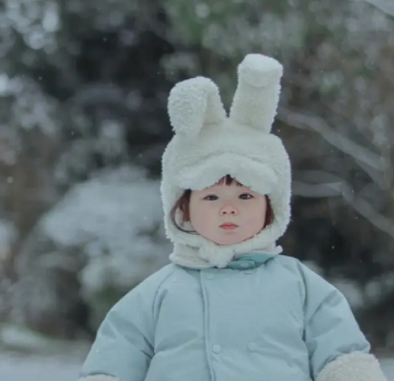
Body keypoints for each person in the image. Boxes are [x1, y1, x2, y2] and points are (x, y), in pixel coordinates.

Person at [78, 54, 387, 381]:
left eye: (245, 196)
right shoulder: (160, 292)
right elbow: (116, 354)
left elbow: (339, 350)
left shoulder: (298, 286)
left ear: (272, 206)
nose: (229, 208)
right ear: (183, 208)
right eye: (211, 197)